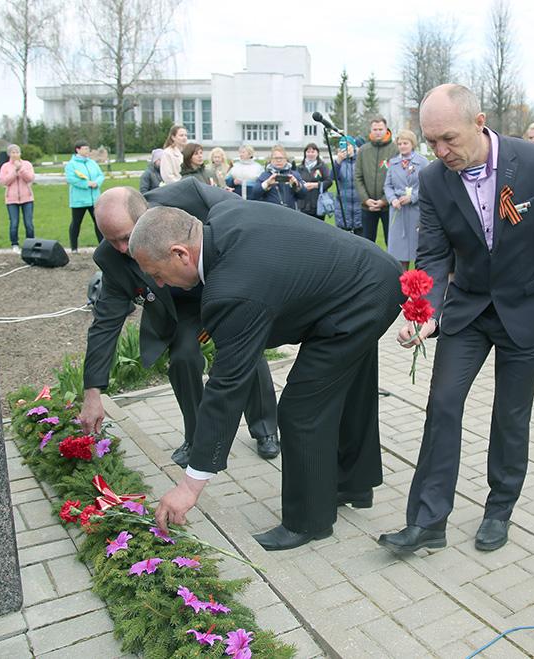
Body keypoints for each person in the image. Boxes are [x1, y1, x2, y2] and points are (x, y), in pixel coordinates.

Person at [378, 84, 534, 554]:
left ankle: (499, 510)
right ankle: (428, 521)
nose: (440, 151)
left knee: (510, 415)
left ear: (479, 123)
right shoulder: (434, 179)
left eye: (448, 139)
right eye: (431, 141)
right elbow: (433, 255)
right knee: (442, 404)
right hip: (470, 308)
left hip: (528, 308)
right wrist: (424, 312)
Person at [128, 198, 405, 552]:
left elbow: (227, 387)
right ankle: (351, 484)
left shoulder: (232, 290)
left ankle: (309, 522)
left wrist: (189, 486)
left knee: (301, 409)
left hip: (363, 295)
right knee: (345, 388)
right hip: (364, 271)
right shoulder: (224, 215)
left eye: (156, 273)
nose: (160, 284)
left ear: (180, 253)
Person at [81, 183, 280, 465]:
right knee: (183, 358)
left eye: (125, 237)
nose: (122, 249)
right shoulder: (110, 257)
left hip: (219, 282)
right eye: (111, 240)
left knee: (246, 348)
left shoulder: (190, 198)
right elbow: (105, 323)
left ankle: (265, 428)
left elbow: (240, 215)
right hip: (180, 307)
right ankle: (197, 437)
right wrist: (92, 393)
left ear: (145, 216)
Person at [383, 129, 429, 268]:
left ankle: (420, 279)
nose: (402, 146)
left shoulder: (422, 162)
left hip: (416, 212)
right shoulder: (393, 163)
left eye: (405, 143)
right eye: (400, 143)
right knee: (399, 252)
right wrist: (392, 199)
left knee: (419, 251)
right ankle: (402, 279)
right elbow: (387, 185)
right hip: (398, 212)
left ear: (412, 144)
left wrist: (413, 197)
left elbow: (428, 185)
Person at [354, 116, 398, 243]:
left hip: (389, 205)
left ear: (386, 130)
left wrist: (384, 200)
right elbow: (358, 177)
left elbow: (398, 178)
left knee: (391, 242)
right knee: (367, 243)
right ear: (371, 130)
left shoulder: (395, 150)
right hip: (367, 206)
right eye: (375, 129)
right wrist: (366, 200)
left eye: (380, 129)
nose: (378, 132)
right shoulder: (363, 150)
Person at [64, 140, 105, 253]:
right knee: (76, 223)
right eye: (85, 148)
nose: (88, 151)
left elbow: (100, 175)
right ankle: (74, 248)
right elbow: (71, 179)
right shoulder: (71, 164)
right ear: (78, 150)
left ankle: (102, 247)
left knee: (98, 223)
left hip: (94, 199)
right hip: (79, 200)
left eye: (88, 148)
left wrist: (97, 183)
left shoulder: (92, 163)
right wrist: (86, 184)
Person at [0, 144, 35, 253]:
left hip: (27, 198)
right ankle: (15, 244)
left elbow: (30, 178)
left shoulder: (27, 164)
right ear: (9, 154)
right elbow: (4, 181)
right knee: (14, 223)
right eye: (13, 152)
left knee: (29, 223)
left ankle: (30, 244)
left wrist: (21, 170)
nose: (15, 154)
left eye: (17, 152)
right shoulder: (5, 166)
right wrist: (14, 171)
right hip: (12, 199)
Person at [252, 145, 306, 209]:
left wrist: (296, 185)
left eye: (281, 158)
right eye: (275, 158)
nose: (278, 160)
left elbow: (303, 195)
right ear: (271, 160)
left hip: (290, 211)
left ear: (286, 159)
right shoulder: (265, 175)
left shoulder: (294, 175)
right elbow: (255, 194)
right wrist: (267, 183)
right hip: (270, 211)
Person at [332, 137, 363, 234]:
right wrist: (338, 161)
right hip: (343, 207)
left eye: (348, 145)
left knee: (361, 236)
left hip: (359, 206)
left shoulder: (361, 161)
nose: (346, 148)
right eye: (343, 145)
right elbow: (332, 177)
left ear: (353, 146)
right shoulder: (339, 163)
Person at [296, 143, 333, 220]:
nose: (310, 154)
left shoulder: (322, 167)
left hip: (318, 205)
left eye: (313, 152)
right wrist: (302, 185)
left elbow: (329, 181)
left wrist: (315, 185)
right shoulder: (299, 168)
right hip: (303, 205)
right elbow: (295, 183)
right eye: (308, 152)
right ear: (305, 153)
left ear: (317, 153)